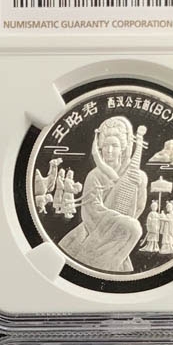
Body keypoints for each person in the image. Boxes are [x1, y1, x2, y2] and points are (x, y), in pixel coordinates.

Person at [58, 116, 147, 273]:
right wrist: (121, 222)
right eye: (106, 145)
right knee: (134, 228)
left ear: (123, 148)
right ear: (100, 148)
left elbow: (138, 208)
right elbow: (91, 211)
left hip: (120, 231)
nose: (109, 150)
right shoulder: (94, 175)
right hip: (95, 231)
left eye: (114, 145)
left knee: (134, 227)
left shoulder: (136, 176)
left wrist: (140, 186)